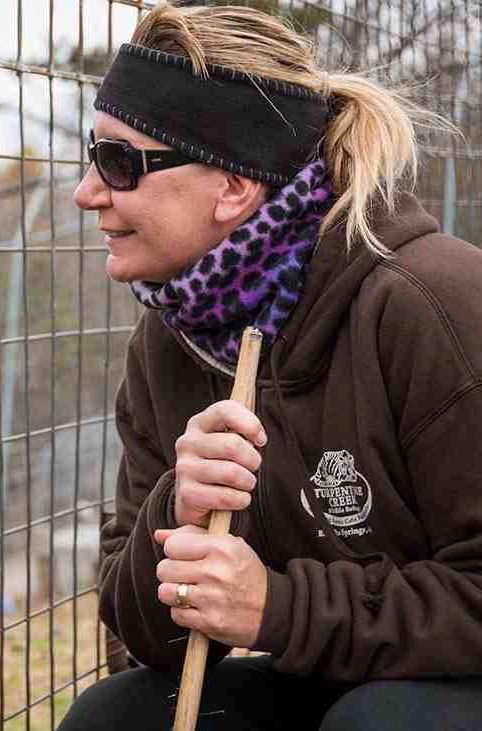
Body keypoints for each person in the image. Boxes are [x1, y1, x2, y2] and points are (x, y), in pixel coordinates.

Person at [56, 3, 482, 730]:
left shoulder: (431, 304)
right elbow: (137, 632)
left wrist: (278, 609)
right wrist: (175, 515)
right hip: (326, 672)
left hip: (446, 681)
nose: (88, 191)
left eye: (121, 163)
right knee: (111, 720)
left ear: (233, 186)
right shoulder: (169, 342)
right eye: (94, 157)